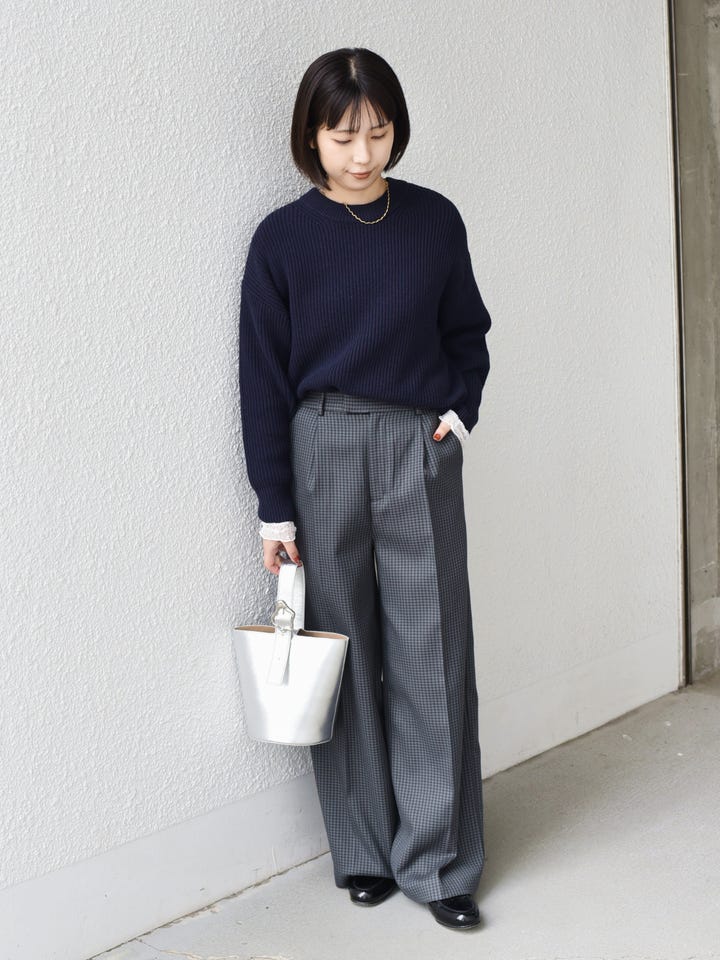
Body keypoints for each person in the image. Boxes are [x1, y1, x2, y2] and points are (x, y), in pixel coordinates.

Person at [238, 47, 492, 931]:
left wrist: (457, 416)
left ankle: (441, 862)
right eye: (344, 136)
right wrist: (274, 507)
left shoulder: (433, 221)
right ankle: (364, 852)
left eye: (378, 133)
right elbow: (262, 380)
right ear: (311, 136)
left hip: (417, 443)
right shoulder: (281, 240)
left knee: (432, 650)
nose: (362, 153)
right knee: (341, 648)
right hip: (323, 445)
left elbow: (469, 334)